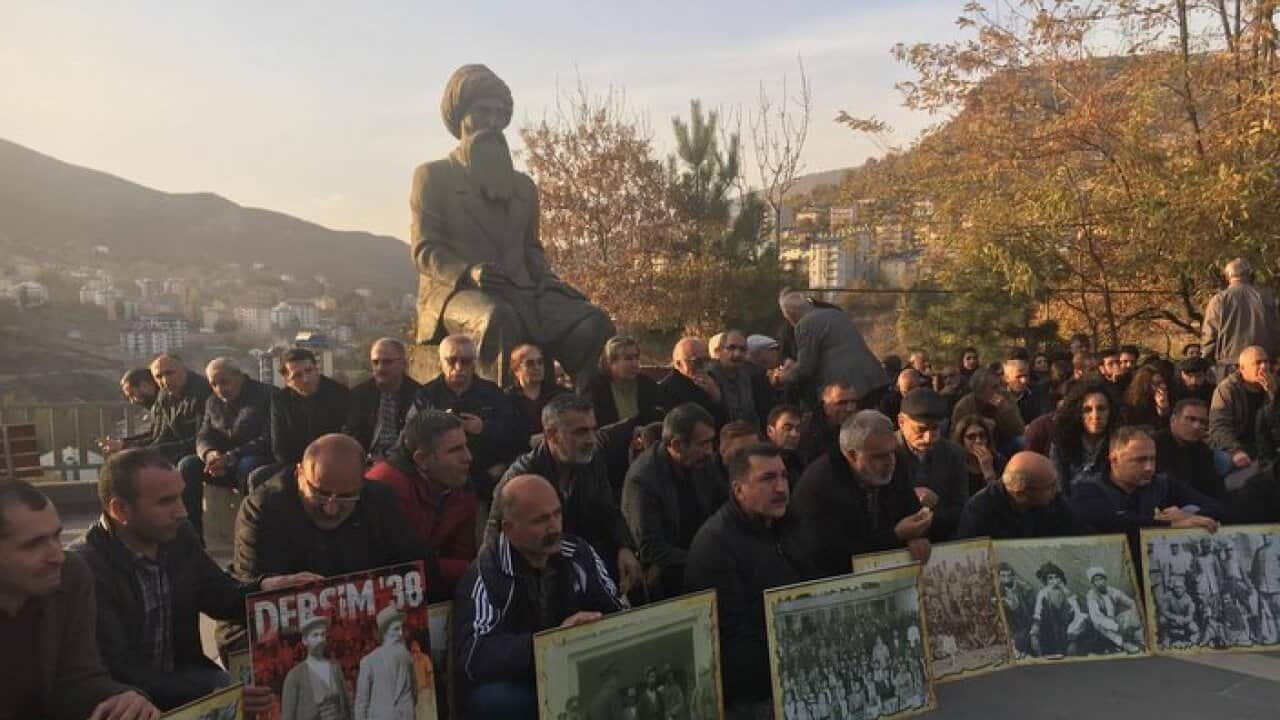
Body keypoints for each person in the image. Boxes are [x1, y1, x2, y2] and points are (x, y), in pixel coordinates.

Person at [411, 64, 614, 386]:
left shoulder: (523, 187)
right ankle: (500, 415)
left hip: (526, 292)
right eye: (482, 112)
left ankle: (577, 415)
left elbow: (531, 248)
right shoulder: (433, 176)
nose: (492, 123)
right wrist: (470, 272)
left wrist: (549, 280)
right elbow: (425, 249)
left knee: (592, 320)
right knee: (498, 318)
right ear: (460, 116)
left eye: (499, 114)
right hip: (459, 293)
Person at [71, 449, 315, 711]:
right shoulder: (85, 568)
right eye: (166, 502)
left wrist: (266, 588)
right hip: (125, 697)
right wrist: (215, 696)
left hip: (188, 677)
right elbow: (117, 668)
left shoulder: (179, 537)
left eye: (181, 497)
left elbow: (220, 596)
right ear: (119, 509)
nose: (182, 512)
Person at [221, 434, 445, 654]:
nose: (331, 509)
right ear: (300, 473)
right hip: (290, 631)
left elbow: (419, 567)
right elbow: (249, 598)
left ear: (362, 482)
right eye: (319, 494)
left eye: (346, 498)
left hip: (362, 625)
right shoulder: (263, 509)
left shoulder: (380, 501)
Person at [454, 474, 623, 718]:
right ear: (509, 529)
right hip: (524, 681)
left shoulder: (578, 554)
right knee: (490, 700)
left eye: (557, 514)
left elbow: (615, 612)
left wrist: (592, 628)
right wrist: (552, 643)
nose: (554, 527)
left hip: (578, 671)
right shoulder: (487, 572)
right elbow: (474, 654)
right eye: (541, 520)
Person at [0, 479, 160, 720]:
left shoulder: (70, 575)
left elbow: (78, 678)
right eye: (34, 544)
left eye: (56, 536)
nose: (57, 557)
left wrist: (123, 699)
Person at [683, 444, 817, 717]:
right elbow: (733, 643)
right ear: (738, 489)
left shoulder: (788, 523)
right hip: (754, 692)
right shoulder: (715, 545)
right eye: (768, 479)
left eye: (783, 476)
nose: (781, 488)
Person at [496, 394, 640, 593]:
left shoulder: (591, 460)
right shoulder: (520, 478)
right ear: (552, 434)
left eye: (593, 429)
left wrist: (625, 547)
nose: (591, 440)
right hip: (538, 576)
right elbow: (496, 540)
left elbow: (607, 510)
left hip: (585, 563)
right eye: (581, 432)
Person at [791, 410, 933, 577]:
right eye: (879, 456)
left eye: (892, 452)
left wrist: (917, 535)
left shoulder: (895, 462)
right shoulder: (818, 486)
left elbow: (909, 511)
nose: (890, 462)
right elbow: (827, 556)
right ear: (852, 455)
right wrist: (896, 536)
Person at [365, 411, 479, 594]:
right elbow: (393, 566)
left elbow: (463, 553)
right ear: (421, 459)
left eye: (466, 446)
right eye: (455, 450)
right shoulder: (383, 489)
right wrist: (466, 569)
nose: (468, 457)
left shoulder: (461, 487)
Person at [1070, 426, 1224, 560]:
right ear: (1114, 459)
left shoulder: (1162, 484)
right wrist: (1169, 524)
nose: (1149, 467)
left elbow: (1218, 508)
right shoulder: (1087, 489)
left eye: (1152, 459)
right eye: (1140, 460)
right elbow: (1112, 524)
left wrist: (1190, 517)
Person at [622, 403, 727, 599]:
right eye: (703, 444)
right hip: (671, 573)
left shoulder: (703, 463)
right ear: (677, 445)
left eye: (711, 442)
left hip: (707, 552)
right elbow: (651, 548)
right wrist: (704, 558)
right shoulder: (643, 481)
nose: (710, 451)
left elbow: (723, 507)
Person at [411, 334, 518, 503]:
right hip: (439, 481)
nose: (458, 367)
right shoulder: (426, 395)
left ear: (474, 362)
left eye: (465, 361)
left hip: (485, 477)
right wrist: (441, 426)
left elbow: (514, 432)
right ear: (441, 362)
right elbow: (413, 436)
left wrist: (482, 428)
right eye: (451, 360)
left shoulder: (492, 393)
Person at [179, 357, 271, 536]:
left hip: (255, 456)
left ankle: (249, 535)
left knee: (248, 466)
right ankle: (192, 536)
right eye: (214, 384)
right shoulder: (213, 402)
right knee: (187, 465)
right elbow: (204, 435)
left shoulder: (266, 396)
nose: (220, 389)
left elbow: (268, 439)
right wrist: (210, 455)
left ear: (239, 377)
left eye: (224, 382)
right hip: (222, 461)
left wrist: (230, 457)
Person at [256, 347, 352, 488]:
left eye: (309, 371)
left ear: (317, 369)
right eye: (297, 375)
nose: (306, 379)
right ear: (287, 380)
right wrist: (302, 469)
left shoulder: (340, 393)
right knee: (256, 478)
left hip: (332, 464)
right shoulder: (280, 400)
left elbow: (348, 436)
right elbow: (279, 446)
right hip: (295, 464)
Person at [777, 290, 889, 406]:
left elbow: (806, 368)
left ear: (789, 316)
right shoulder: (835, 313)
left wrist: (783, 377)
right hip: (874, 377)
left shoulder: (805, 324)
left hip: (850, 390)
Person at [100, 355, 212, 466]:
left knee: (186, 465)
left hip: (204, 452)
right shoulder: (165, 396)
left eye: (170, 373)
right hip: (182, 450)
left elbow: (200, 439)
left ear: (184, 370)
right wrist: (127, 446)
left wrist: (144, 451)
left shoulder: (202, 393)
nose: (165, 380)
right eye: (159, 376)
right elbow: (161, 436)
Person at [954, 451, 1082, 540]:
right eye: (1050, 487)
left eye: (1055, 483)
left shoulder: (1053, 501)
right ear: (1021, 494)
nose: (1057, 490)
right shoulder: (978, 512)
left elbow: (1079, 533)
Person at [895, 388, 969, 540]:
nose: (928, 438)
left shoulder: (954, 454)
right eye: (920, 429)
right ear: (901, 422)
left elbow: (961, 508)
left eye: (935, 428)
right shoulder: (886, 451)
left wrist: (934, 509)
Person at [1201, 258, 1280, 376]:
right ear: (1250, 274)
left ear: (1228, 276)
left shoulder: (1219, 300)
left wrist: (1206, 363)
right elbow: (1276, 329)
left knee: (1229, 393)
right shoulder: (1267, 297)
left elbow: (1210, 334)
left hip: (1230, 364)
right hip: (1263, 363)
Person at [346, 338, 422, 460]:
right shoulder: (359, 395)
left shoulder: (419, 396)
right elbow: (351, 436)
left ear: (403, 363)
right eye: (375, 362)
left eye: (387, 362)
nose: (380, 368)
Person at [1209, 345, 1274, 468]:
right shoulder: (1227, 389)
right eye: (1258, 362)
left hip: (1263, 444)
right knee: (1227, 462)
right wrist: (1236, 450)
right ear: (1242, 368)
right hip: (1233, 445)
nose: (1264, 367)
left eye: (1266, 361)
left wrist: (1273, 394)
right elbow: (1218, 426)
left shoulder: (1274, 385)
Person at [582, 335, 668, 427]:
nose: (635, 364)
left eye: (636, 357)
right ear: (610, 362)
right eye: (628, 359)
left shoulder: (647, 385)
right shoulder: (595, 389)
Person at [1049, 380, 1117, 494]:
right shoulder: (1061, 442)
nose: (1095, 416)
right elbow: (1059, 487)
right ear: (1077, 413)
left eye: (1101, 409)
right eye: (1087, 410)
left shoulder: (1121, 442)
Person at [281, 616, 352, 720]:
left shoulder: (335, 668)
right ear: (305, 641)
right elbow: (288, 716)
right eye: (315, 635)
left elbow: (347, 706)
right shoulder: (295, 676)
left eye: (323, 635)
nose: (320, 640)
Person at [1155, 399, 1226, 501]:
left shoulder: (1202, 449)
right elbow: (1173, 488)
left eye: (1202, 422)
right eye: (1190, 419)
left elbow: (1214, 486)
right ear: (1173, 419)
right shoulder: (1155, 445)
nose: (1197, 426)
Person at [354, 606, 416, 720]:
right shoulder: (368, 662)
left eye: (401, 628)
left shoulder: (407, 658)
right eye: (396, 629)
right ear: (384, 632)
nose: (401, 633)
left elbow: (414, 690)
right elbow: (361, 703)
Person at [504, 342, 568, 447]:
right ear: (516, 370)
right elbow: (504, 435)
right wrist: (527, 440)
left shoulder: (560, 395)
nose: (537, 367)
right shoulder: (506, 400)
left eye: (540, 362)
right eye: (530, 363)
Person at [950, 368, 1024, 454]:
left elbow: (1019, 430)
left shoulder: (1005, 397)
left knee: (1022, 441)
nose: (1000, 390)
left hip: (1002, 443)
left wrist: (1006, 410)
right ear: (980, 391)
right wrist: (980, 424)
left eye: (1000, 385)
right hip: (974, 446)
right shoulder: (964, 406)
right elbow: (954, 437)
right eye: (994, 387)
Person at [659, 337, 726, 427]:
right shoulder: (667, 389)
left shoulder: (711, 379)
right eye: (697, 361)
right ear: (679, 364)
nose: (703, 365)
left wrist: (716, 396)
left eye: (706, 360)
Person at [709, 329, 769, 428]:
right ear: (719, 351)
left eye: (743, 349)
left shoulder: (746, 374)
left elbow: (752, 414)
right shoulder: (710, 376)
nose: (737, 354)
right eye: (731, 348)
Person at [796, 380, 860, 467]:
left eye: (853, 402)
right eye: (841, 403)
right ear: (826, 407)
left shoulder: (861, 426)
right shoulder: (807, 433)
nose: (850, 408)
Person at [1030, 562, 1088, 657]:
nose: (1055, 581)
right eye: (1050, 578)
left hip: (1067, 630)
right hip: (1049, 631)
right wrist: (1034, 633)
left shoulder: (1068, 594)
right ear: (1046, 581)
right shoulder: (1043, 594)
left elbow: (1078, 615)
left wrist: (1072, 637)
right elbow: (1037, 614)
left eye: (1057, 577)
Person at [1084, 567, 1144, 654]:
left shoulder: (1112, 591)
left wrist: (1132, 618)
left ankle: (1138, 638)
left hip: (1114, 619)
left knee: (1132, 612)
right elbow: (1096, 618)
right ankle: (1123, 643)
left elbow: (1131, 603)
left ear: (1105, 579)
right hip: (1100, 624)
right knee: (1099, 624)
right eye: (1096, 580)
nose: (1100, 582)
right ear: (1093, 583)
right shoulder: (1091, 595)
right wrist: (1116, 627)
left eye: (1101, 579)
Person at [952, 414, 1005, 495]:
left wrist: (988, 471)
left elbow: (1000, 498)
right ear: (961, 441)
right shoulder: (955, 465)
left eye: (982, 435)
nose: (978, 441)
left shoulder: (999, 461)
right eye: (971, 437)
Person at [997, 562, 1037, 656]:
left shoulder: (1021, 587)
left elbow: (1031, 605)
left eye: (1009, 575)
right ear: (999, 577)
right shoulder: (999, 590)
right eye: (1003, 576)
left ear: (1013, 576)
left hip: (1025, 621)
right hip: (1012, 624)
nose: (1006, 578)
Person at [1122, 364, 1173, 429]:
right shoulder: (1133, 403)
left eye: (1163, 382)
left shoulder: (1169, 395)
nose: (1163, 386)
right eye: (1157, 383)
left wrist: (1163, 408)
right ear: (1146, 385)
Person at [1004, 358, 1049, 427]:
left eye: (1026, 376)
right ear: (1007, 378)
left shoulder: (1038, 394)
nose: (1024, 381)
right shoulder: (999, 397)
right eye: (1018, 376)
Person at [765, 404, 805, 479]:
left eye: (798, 429)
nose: (794, 434)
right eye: (787, 428)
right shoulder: (762, 465)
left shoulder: (802, 461)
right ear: (770, 431)